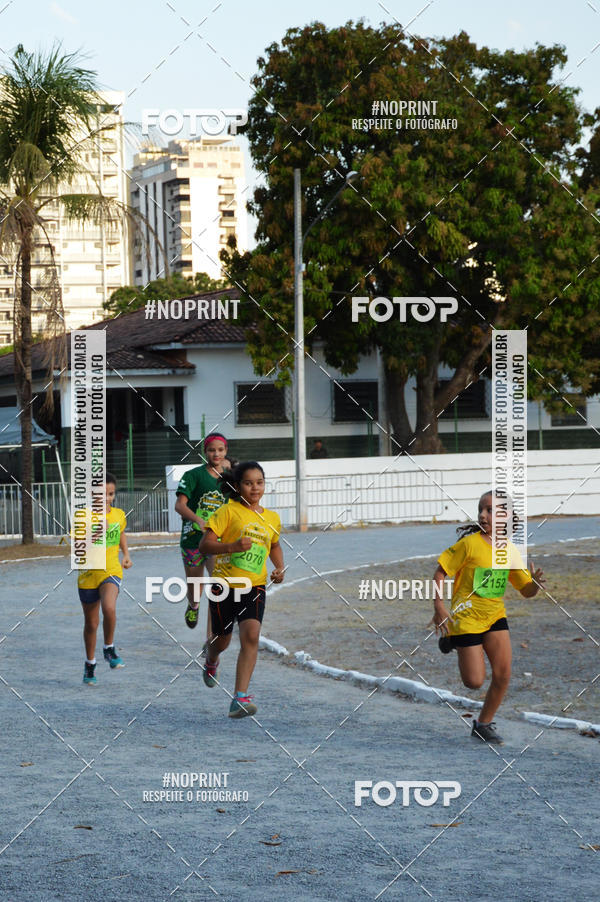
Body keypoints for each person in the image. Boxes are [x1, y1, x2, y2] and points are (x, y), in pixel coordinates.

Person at [431, 490, 545, 744]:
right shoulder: (469, 545)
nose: (483, 515)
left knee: (503, 674)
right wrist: (438, 605)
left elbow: (525, 591)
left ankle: (483, 724)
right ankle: (455, 639)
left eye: (490, 510)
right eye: (481, 509)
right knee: (474, 681)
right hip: (466, 618)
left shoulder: (511, 551)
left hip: (495, 617)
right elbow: (440, 573)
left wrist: (535, 584)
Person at [198, 461, 284, 718]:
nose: (255, 487)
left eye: (259, 482)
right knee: (221, 641)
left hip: (254, 587)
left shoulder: (272, 518)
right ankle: (211, 658)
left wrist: (280, 568)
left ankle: (239, 698)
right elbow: (205, 545)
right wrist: (233, 547)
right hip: (224, 586)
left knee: (251, 636)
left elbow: (275, 545)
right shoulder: (228, 511)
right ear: (237, 486)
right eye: (248, 483)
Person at [174, 434, 229, 641]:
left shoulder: (231, 479)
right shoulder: (193, 475)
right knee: (195, 585)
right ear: (205, 452)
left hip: (218, 542)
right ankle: (193, 605)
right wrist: (197, 520)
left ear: (226, 451)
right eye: (212, 450)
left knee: (217, 590)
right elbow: (179, 505)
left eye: (220, 450)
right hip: (193, 540)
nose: (216, 454)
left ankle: (210, 641)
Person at [78, 473, 132, 684]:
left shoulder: (118, 514)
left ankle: (109, 648)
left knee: (109, 607)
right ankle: (90, 664)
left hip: (111, 570)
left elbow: (121, 533)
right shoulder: (83, 516)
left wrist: (126, 554)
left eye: (110, 494)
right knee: (91, 623)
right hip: (88, 574)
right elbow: (78, 547)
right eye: (101, 494)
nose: (107, 498)